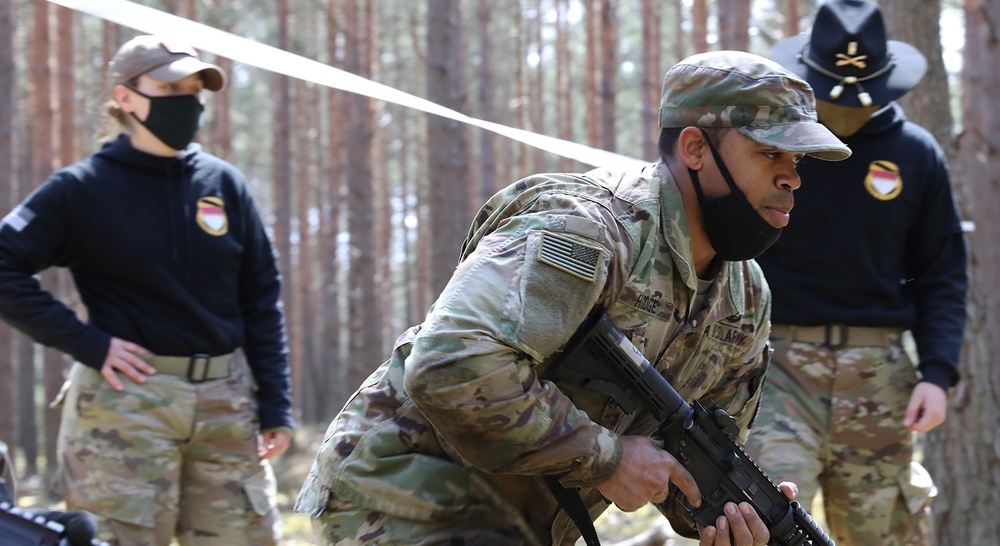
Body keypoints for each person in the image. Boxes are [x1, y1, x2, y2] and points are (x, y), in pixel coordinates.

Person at [295, 50, 851, 546]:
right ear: (696, 148)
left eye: (796, 162)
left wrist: (731, 517)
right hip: (407, 495)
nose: (791, 180)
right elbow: (449, 363)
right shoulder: (585, 229)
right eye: (769, 155)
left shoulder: (744, 298)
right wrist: (606, 457)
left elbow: (684, 477)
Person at [0, 34, 294, 545]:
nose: (187, 99)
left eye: (195, 87)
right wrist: (89, 344)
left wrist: (276, 405)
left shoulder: (225, 185)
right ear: (125, 98)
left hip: (227, 406)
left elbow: (261, 299)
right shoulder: (82, 189)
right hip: (126, 408)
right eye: (170, 85)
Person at [744, 0, 968, 546]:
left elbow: (942, 273)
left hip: (880, 376)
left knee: (885, 535)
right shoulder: (770, 148)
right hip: (775, 370)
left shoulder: (916, 154)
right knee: (765, 524)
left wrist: (937, 373)